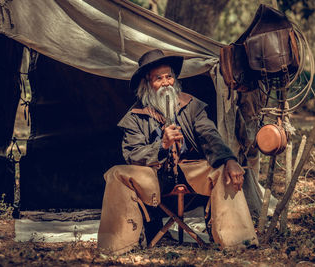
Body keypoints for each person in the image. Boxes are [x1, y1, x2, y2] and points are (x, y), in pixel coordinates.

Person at [97, 49, 258, 254]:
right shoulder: (134, 117)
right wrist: (161, 146)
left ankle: (237, 242)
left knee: (223, 170)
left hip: (191, 171)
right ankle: (118, 246)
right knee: (116, 173)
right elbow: (132, 154)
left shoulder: (192, 106)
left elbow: (210, 136)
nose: (166, 83)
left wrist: (229, 159)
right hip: (154, 175)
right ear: (147, 84)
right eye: (158, 78)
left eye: (169, 77)